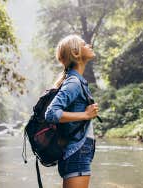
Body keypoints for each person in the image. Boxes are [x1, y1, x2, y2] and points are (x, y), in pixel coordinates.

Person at [44, 34, 99, 188]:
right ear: (76, 53)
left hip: (79, 152)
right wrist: (86, 115)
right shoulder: (74, 82)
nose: (89, 45)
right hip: (77, 153)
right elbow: (51, 113)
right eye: (84, 44)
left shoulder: (77, 81)